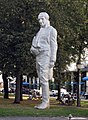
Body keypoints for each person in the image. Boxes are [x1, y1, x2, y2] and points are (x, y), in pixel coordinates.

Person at [30, 12, 57, 109]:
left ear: (47, 19)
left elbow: (54, 45)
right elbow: (35, 43)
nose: (40, 21)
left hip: (46, 55)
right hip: (38, 56)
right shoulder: (39, 31)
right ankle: (44, 101)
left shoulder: (51, 30)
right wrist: (33, 49)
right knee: (41, 79)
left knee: (44, 79)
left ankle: (46, 102)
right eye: (39, 20)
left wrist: (52, 59)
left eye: (42, 19)